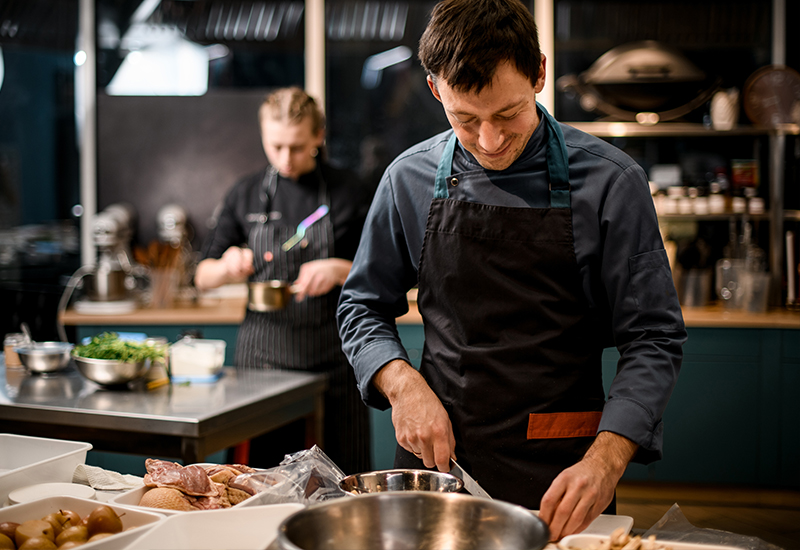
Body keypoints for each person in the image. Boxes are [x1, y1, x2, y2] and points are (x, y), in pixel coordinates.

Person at [336, 0, 686, 540]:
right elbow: (362, 306)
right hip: (442, 467)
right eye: (465, 119)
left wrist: (607, 460)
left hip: (568, 469)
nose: (490, 141)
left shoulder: (612, 183)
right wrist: (401, 383)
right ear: (435, 90)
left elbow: (654, 338)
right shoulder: (407, 179)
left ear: (539, 73)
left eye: (508, 114)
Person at [196, 87, 374, 475]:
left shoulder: (350, 192)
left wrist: (339, 270)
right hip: (261, 372)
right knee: (258, 484)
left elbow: (382, 272)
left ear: (317, 136)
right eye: (274, 146)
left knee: (342, 486)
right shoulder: (244, 194)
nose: (284, 159)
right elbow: (202, 276)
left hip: (334, 368)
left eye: (295, 147)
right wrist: (227, 265)